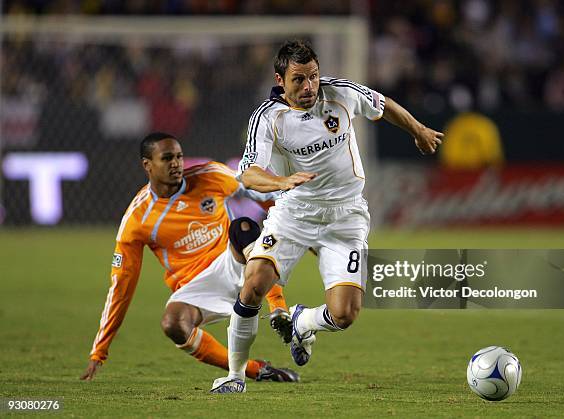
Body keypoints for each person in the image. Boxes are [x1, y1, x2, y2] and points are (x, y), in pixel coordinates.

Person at [210, 40, 443, 393]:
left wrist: (419, 130)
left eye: (313, 78)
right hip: (294, 213)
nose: (309, 87)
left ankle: (304, 321)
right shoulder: (269, 118)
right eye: (299, 80)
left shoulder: (340, 94)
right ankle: (235, 375)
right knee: (255, 282)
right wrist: (281, 181)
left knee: (345, 314)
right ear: (280, 79)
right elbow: (248, 173)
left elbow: (383, 105)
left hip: (346, 216)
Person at [81, 132, 298, 383]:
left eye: (179, 157)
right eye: (167, 158)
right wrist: (100, 350)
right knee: (173, 323)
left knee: (243, 226)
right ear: (147, 165)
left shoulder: (211, 175)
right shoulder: (138, 219)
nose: (176, 164)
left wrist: (292, 229)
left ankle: (278, 309)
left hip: (234, 259)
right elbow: (121, 286)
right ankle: (255, 370)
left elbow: (260, 192)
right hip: (198, 286)